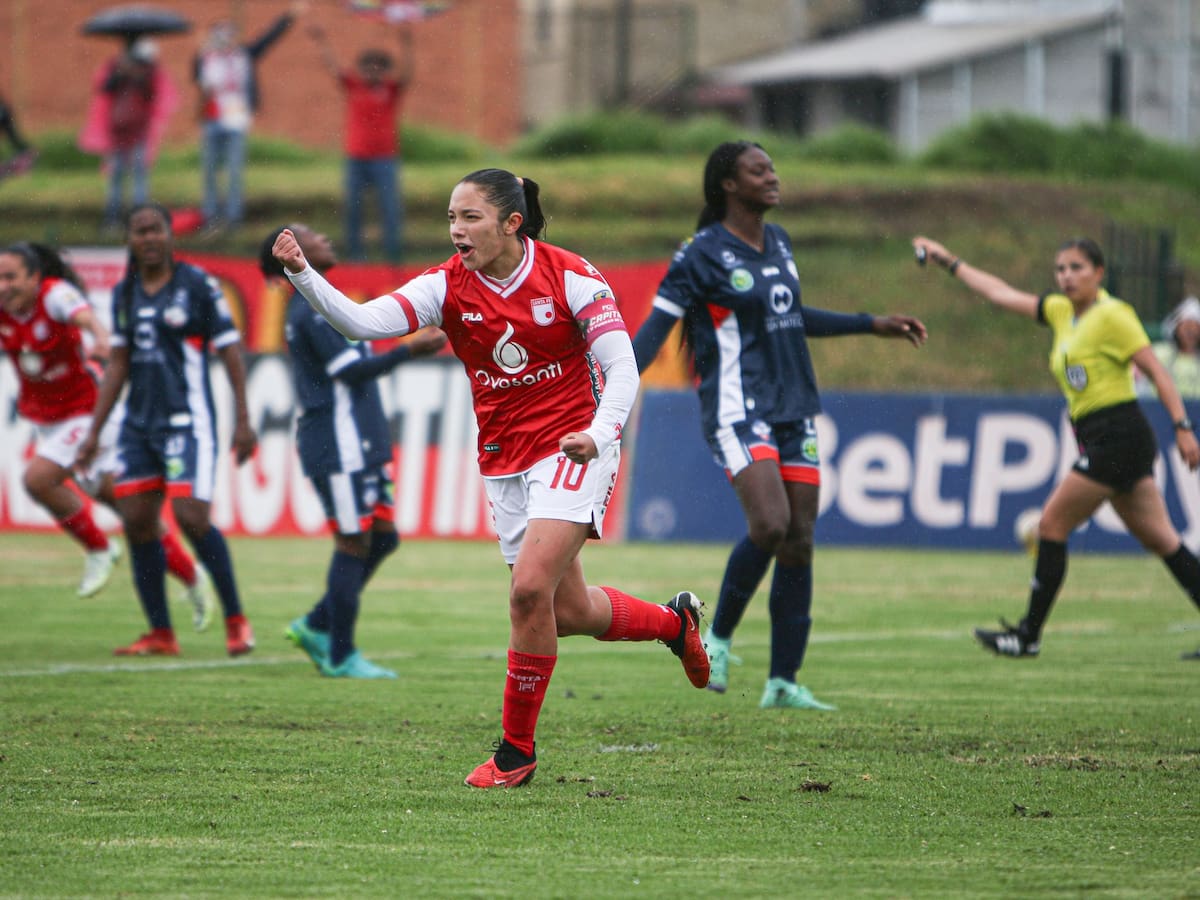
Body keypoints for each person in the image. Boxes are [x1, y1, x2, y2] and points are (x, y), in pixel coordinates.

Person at [272, 168, 710, 787]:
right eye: (451, 218)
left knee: (528, 591)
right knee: (567, 609)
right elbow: (362, 323)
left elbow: (622, 367)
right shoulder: (444, 286)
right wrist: (301, 275)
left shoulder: (570, 275)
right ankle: (675, 622)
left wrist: (600, 434)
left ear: (511, 222)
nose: (456, 230)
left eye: (469, 217)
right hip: (505, 456)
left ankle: (515, 753)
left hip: (575, 444)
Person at [632, 141, 928, 709]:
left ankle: (783, 683)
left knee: (799, 540)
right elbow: (655, 330)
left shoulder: (781, 241)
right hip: (738, 408)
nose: (773, 177)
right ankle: (714, 639)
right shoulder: (700, 254)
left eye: (772, 168)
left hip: (796, 406)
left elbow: (791, 314)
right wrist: (609, 389)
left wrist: (872, 324)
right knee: (770, 524)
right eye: (758, 170)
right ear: (728, 184)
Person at [912, 234, 1200, 662]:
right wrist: (948, 261)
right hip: (1103, 436)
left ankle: (1027, 636)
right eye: (1060, 269)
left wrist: (1182, 428)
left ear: (1099, 273)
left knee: (1050, 525)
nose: (1066, 277)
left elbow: (1156, 371)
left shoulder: (1114, 316)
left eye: (1076, 268)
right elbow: (999, 293)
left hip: (1118, 434)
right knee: (1164, 542)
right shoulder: (1061, 311)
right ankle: (1028, 636)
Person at [259, 222, 446, 678]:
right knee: (354, 540)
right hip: (338, 443)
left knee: (383, 538)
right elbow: (349, 372)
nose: (325, 237)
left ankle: (317, 623)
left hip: (360, 441)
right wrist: (410, 350)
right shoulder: (308, 310)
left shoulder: (327, 305)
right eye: (311, 235)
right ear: (292, 253)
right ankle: (340, 654)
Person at [76, 203, 258, 657]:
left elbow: (230, 350)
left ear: (169, 235)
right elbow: (118, 363)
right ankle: (161, 632)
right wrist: (95, 431)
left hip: (187, 421)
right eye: (140, 231)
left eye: (156, 229)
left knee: (192, 519)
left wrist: (243, 417)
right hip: (138, 426)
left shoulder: (196, 285)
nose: (149, 238)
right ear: (130, 240)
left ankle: (237, 619)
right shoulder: (125, 293)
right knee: (137, 521)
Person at [0, 242, 211, 625]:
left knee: (37, 479)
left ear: (35, 278)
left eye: (11, 277)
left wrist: (100, 336)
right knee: (135, 516)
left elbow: (82, 314)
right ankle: (193, 577)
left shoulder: (54, 296)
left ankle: (98, 548)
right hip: (50, 423)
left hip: (87, 414)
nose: (3, 286)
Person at [193, 2, 304, 232]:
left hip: (236, 118)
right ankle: (211, 216)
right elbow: (198, 81)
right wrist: (203, 49)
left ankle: (233, 218)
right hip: (212, 118)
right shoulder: (206, 59)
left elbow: (269, 38)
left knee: (234, 170)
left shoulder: (244, 55)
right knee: (210, 171)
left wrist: (289, 16)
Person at [308, 23, 412, 261]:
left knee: (389, 209)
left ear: (385, 71)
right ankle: (356, 255)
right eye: (368, 67)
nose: (373, 72)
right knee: (354, 209)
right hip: (356, 157)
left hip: (385, 158)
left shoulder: (390, 89)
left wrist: (406, 44)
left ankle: (393, 255)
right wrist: (322, 42)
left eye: (378, 68)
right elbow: (332, 66)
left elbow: (407, 73)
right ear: (361, 69)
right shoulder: (354, 85)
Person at [80, 39, 179, 232]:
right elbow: (104, 88)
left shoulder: (149, 74)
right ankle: (112, 220)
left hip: (139, 131)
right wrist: (120, 74)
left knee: (139, 178)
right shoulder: (116, 68)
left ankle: (138, 222)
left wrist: (137, 77)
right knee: (116, 177)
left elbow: (153, 95)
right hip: (118, 131)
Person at [1135, 295, 1200, 400]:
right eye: (1187, 326)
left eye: (1195, 326)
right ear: (1176, 327)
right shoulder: (1159, 353)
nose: (1191, 331)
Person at [0, 90, 36, 179]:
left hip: (3, 113)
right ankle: (26, 154)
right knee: (15, 139)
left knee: (15, 140)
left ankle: (26, 156)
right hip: (4, 113)